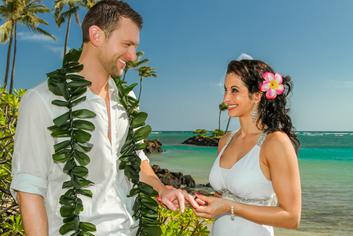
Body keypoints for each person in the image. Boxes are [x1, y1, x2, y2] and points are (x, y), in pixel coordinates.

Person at [10, 1, 198, 235]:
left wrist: (162, 188)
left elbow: (136, 158)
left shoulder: (126, 98)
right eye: (126, 44)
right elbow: (29, 189)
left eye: (135, 47)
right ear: (96, 35)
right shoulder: (41, 100)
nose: (132, 56)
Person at [193, 56, 302, 235]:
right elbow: (223, 200)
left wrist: (230, 207)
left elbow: (291, 217)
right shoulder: (225, 141)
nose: (226, 98)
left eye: (234, 90)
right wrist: (199, 203)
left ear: (257, 95)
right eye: (225, 90)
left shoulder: (275, 142)